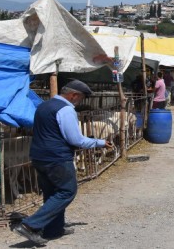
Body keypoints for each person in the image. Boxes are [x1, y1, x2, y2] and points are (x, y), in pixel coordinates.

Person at [12, 80, 112, 245]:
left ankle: (54, 229)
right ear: (74, 95)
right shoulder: (65, 110)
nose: (79, 102)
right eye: (80, 98)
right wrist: (99, 142)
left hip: (39, 157)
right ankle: (29, 225)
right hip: (57, 158)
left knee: (52, 193)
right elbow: (76, 139)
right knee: (67, 191)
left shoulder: (44, 106)